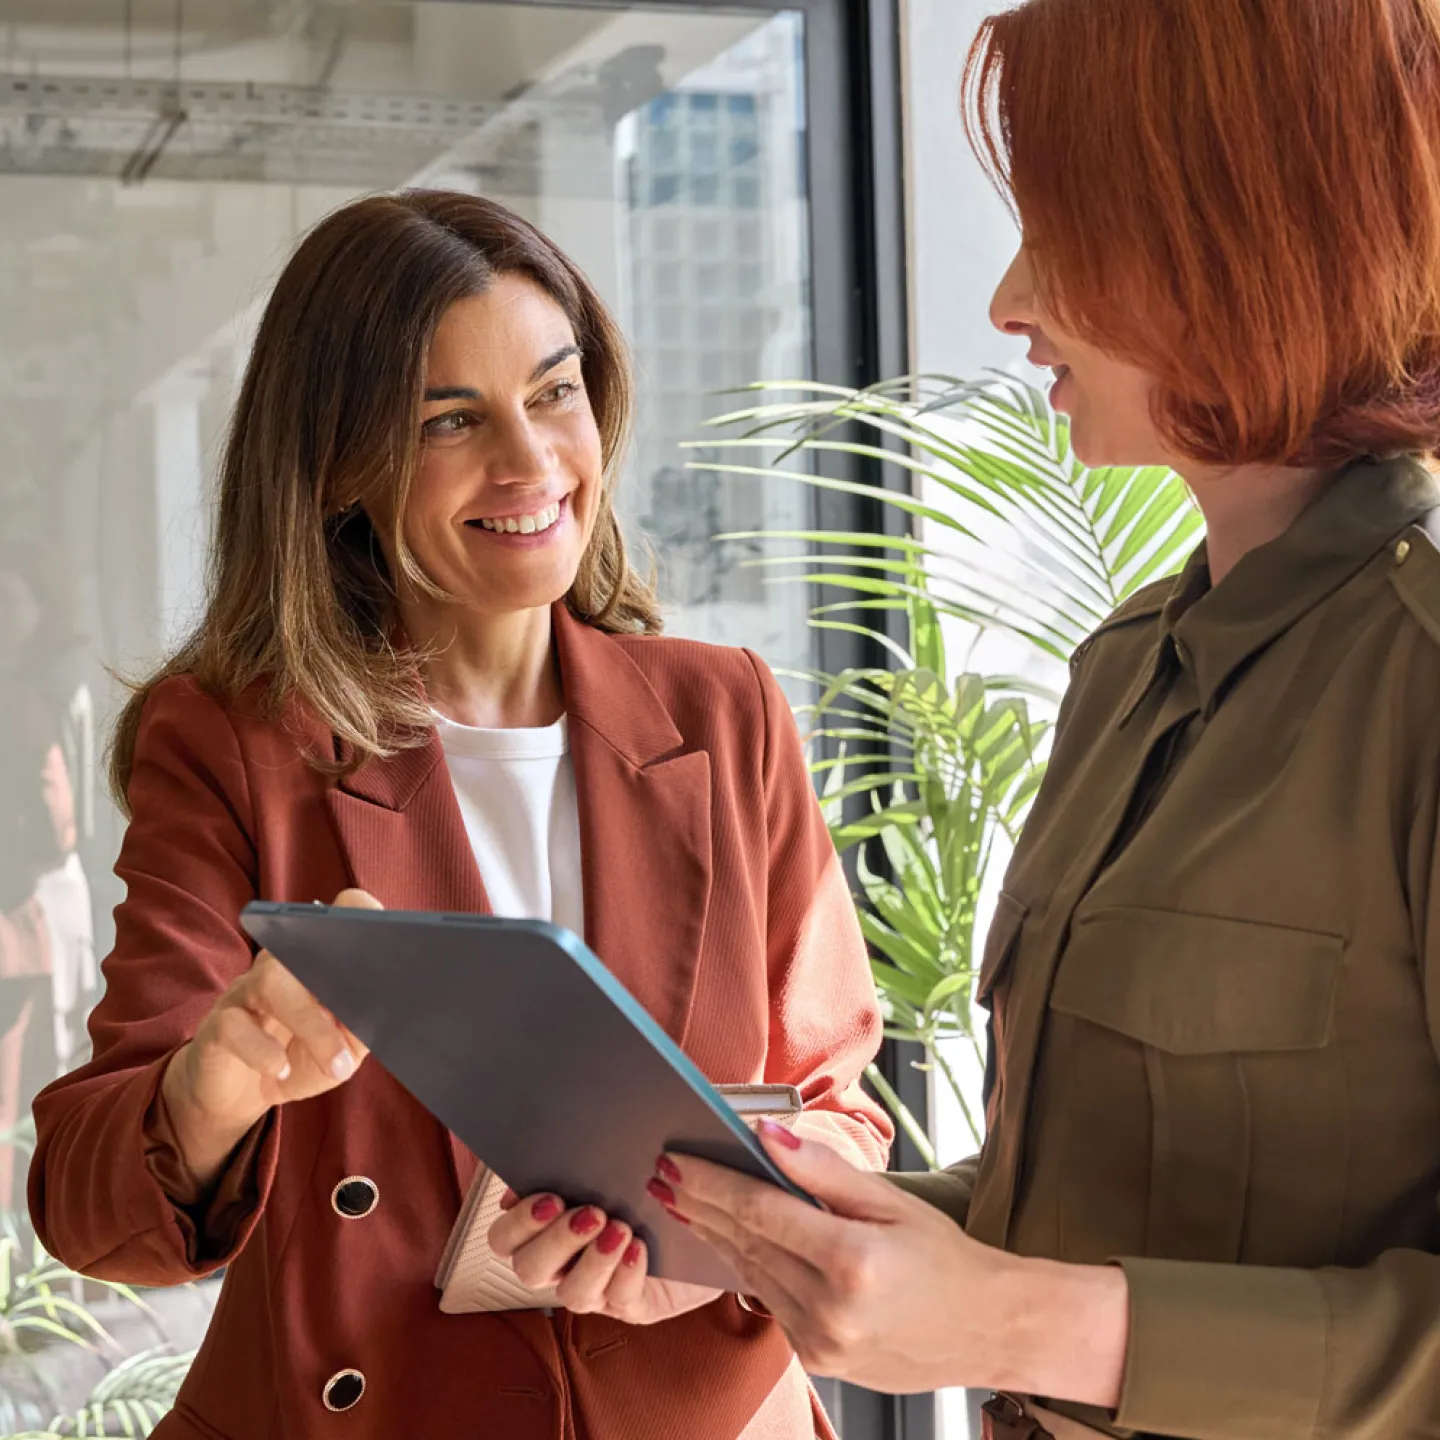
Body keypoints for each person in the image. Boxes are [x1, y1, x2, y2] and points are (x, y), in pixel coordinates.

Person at [652, 2, 1440, 1437]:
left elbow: (1060, 1302)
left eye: (1071, 229)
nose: (1012, 300)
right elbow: (1079, 1206)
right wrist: (750, 1227)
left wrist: (1011, 1320)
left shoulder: (1422, 672)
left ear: (1253, 235)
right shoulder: (1128, 663)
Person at [27, 190, 891, 1440]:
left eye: (555, 392)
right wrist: (218, 1085)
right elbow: (85, 1203)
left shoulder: (725, 711)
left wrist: (702, 1254)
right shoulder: (235, 743)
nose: (533, 463)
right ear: (338, 467)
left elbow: (841, 1112)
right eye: (450, 421)